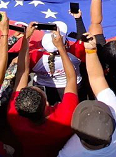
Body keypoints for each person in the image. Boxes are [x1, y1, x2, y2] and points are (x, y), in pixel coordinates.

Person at [9, 23, 79, 157]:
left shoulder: (13, 116)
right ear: (46, 104)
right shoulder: (65, 118)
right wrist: (61, 48)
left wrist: (26, 39)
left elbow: (21, 73)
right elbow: (71, 78)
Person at [58, 34, 116, 157]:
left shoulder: (67, 153)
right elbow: (97, 79)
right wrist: (90, 51)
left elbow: (97, 78)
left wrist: (91, 51)